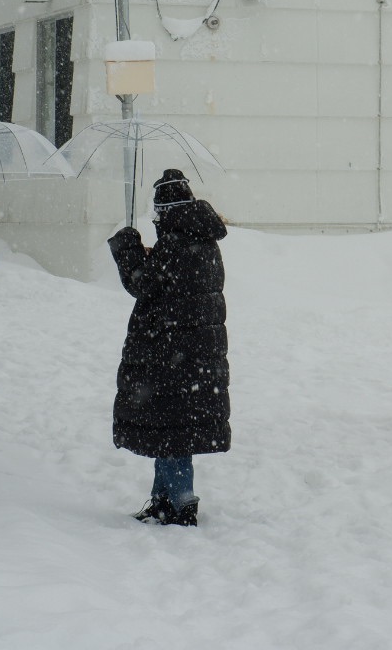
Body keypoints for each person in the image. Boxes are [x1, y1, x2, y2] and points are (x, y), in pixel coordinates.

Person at [108, 169, 231, 527]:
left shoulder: (177, 242)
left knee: (173, 427)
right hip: (191, 352)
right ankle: (163, 499)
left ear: (166, 211)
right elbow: (170, 284)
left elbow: (143, 284)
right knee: (171, 425)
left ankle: (180, 503)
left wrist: (128, 249)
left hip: (175, 351)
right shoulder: (200, 239)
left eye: (157, 213)